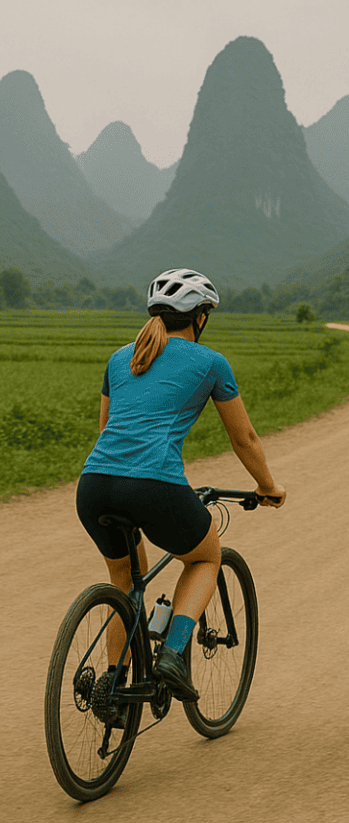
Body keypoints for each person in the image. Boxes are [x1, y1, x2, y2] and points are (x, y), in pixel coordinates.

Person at [76, 268, 286, 704]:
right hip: (155, 486)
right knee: (206, 556)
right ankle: (171, 654)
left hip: (94, 485)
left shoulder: (120, 358)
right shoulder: (211, 362)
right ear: (200, 317)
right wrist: (268, 486)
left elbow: (107, 431)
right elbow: (244, 438)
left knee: (124, 580)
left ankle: (112, 688)